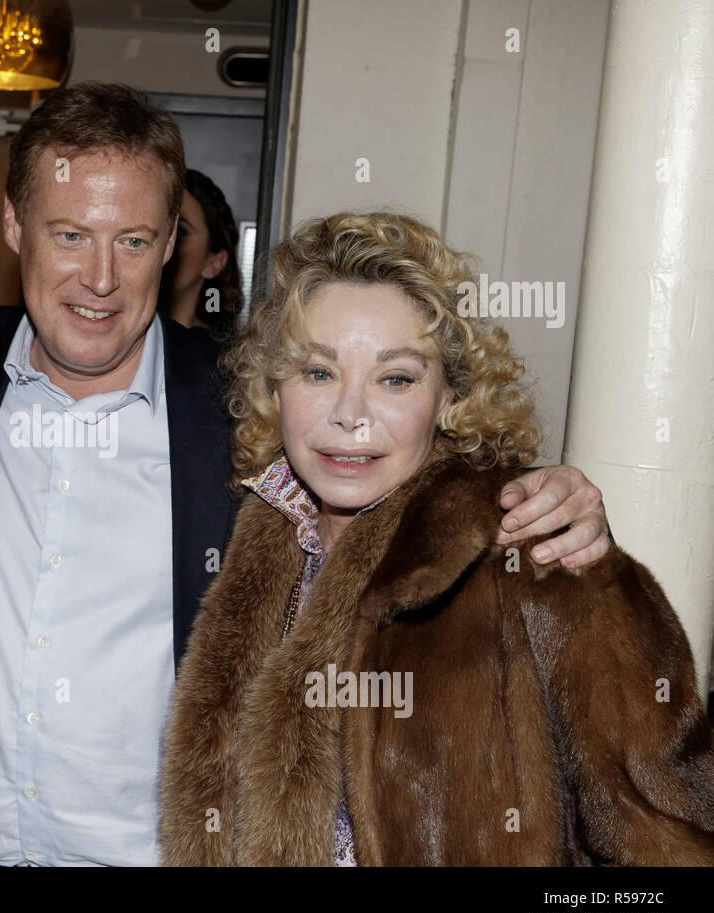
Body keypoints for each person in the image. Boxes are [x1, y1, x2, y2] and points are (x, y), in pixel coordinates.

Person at [0, 82, 615, 866]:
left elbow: (411, 457)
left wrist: (547, 497)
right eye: (70, 235)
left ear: (172, 241)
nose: (99, 278)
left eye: (134, 241)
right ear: (13, 224)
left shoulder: (239, 406)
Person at [159, 212, 714, 866]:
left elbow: (674, 850)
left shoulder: (540, 557)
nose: (350, 414)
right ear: (273, 387)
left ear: (450, 395)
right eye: (317, 372)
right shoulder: (248, 532)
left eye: (395, 378)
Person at [159, 168, 244, 339]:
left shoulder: (222, 359)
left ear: (214, 263)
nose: (164, 243)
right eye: (160, 227)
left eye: (180, 232)